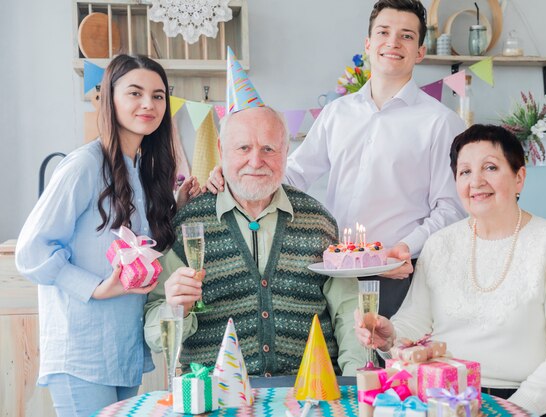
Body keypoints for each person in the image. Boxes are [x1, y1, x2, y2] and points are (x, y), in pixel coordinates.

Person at [207, 0, 466, 318]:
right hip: (333, 272)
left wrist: (402, 250)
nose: (393, 42)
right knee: (333, 364)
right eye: (383, 32)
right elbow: (295, 174)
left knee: (385, 362)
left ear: (421, 51)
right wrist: (237, 177)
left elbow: (451, 208)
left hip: (398, 273)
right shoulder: (337, 112)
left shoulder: (440, 122)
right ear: (368, 43)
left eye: (407, 36)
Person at [355, 124, 546, 417]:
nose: (476, 181)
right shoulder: (440, 243)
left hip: (529, 406)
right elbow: (414, 322)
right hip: (447, 400)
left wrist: (513, 410)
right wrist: (389, 336)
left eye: (490, 168)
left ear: (519, 178)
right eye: (465, 172)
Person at [15, 54, 201, 417]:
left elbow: (139, 248)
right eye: (135, 93)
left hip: (122, 348)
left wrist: (176, 205)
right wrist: (95, 287)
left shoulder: (143, 171)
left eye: (159, 95)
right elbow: (31, 251)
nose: (148, 104)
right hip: (81, 351)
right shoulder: (83, 165)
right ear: (109, 98)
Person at [144, 105, 366, 377]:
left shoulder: (318, 221)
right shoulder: (188, 226)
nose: (256, 161)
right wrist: (177, 308)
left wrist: (356, 381)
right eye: (243, 148)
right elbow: (155, 336)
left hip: (311, 392)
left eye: (269, 149)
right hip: (216, 396)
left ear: (286, 152)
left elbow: (349, 312)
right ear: (221, 148)